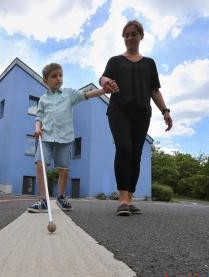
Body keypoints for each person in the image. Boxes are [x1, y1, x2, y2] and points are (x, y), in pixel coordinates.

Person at [100, 20, 173, 216]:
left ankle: (129, 198)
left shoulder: (149, 63)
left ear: (141, 36)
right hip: (119, 110)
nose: (130, 37)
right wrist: (106, 82)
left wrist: (165, 110)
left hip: (142, 113)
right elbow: (104, 78)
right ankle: (123, 200)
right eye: (127, 34)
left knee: (136, 154)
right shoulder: (115, 61)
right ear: (123, 38)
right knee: (124, 148)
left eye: (134, 34)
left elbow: (154, 90)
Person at [28, 63, 117, 213]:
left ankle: (61, 196)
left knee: (64, 169)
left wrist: (103, 90)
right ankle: (43, 200)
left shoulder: (69, 93)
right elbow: (39, 116)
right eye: (54, 76)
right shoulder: (43, 99)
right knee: (40, 164)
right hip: (46, 135)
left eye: (60, 75)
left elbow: (86, 95)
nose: (58, 78)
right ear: (45, 81)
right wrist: (37, 127)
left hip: (65, 137)